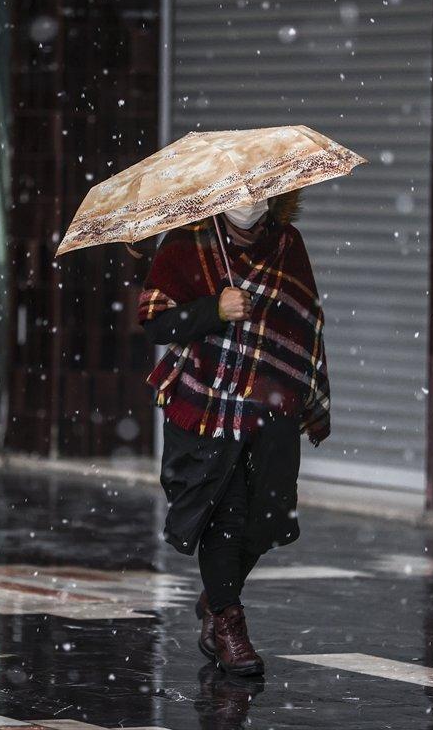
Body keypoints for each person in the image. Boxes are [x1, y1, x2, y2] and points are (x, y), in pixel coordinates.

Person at [138, 189, 330, 677]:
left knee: (268, 518)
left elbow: (304, 320)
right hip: (206, 404)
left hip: (270, 405)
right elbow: (158, 324)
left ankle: (216, 597)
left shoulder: (288, 244)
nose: (250, 204)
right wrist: (214, 310)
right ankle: (229, 623)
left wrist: (300, 388)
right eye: (239, 196)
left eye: (260, 194)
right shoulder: (186, 244)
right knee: (224, 512)